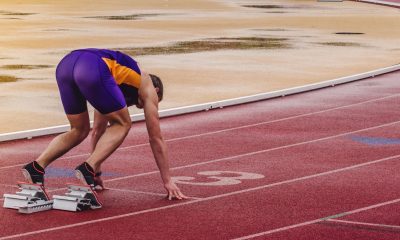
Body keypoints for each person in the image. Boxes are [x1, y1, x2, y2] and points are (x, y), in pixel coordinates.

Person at [21, 48, 187, 200]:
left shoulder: (112, 84)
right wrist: (167, 180)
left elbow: (97, 130)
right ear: (157, 92)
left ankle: (36, 167)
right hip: (91, 67)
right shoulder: (147, 84)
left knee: (79, 129)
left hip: (66, 65)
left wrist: (96, 170)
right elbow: (156, 138)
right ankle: (87, 169)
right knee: (123, 124)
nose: (142, 106)